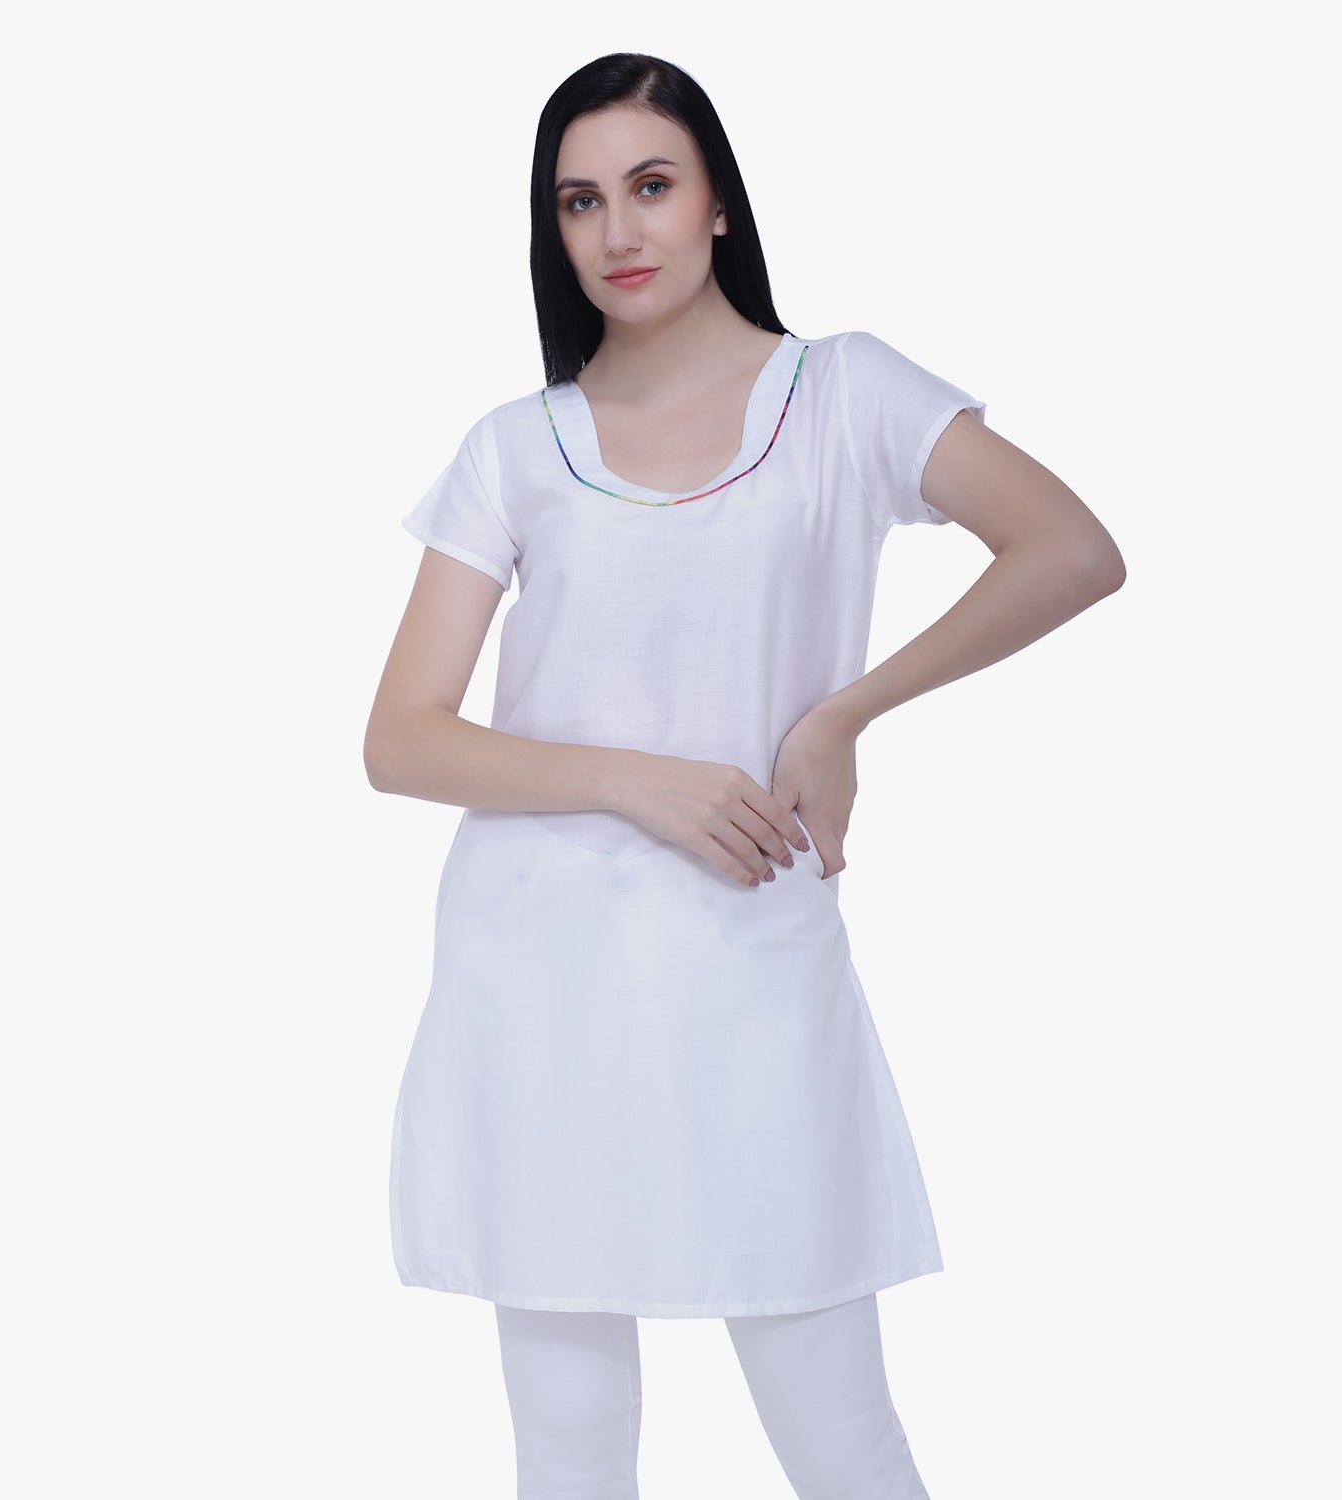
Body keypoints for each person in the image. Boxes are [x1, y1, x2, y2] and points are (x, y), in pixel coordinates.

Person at [364, 51, 1124, 1500]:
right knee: (570, 1444)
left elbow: (1072, 551)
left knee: (839, 1430)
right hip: (538, 982)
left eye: (652, 186)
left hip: (751, 955)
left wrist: (844, 717)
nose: (618, 230)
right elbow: (401, 737)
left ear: (718, 201)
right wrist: (635, 779)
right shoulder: (516, 449)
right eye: (581, 200)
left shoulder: (844, 395)